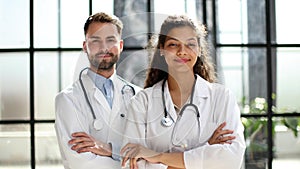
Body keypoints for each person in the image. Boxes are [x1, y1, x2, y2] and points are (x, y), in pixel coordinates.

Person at [121, 15, 246, 169]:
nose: (182, 51)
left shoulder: (222, 98)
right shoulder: (142, 101)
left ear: (199, 50)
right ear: (162, 50)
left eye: (190, 44)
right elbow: (131, 163)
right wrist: (204, 152)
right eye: (173, 44)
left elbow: (230, 159)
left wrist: (156, 156)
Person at [55, 12, 141, 169]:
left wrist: (109, 150)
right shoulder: (68, 99)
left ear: (120, 46)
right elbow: (80, 163)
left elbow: (151, 156)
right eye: (95, 41)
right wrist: (127, 159)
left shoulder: (139, 96)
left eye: (110, 40)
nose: (104, 47)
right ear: (85, 46)